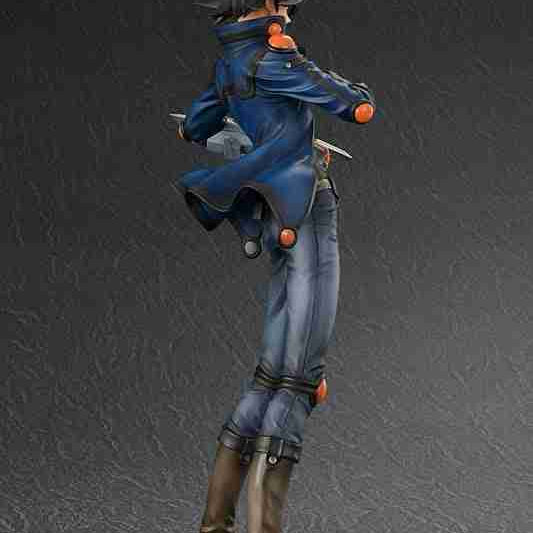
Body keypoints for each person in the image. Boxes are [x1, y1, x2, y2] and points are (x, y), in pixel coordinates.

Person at [175, 1, 376, 531]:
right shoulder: (272, 58)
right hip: (306, 207)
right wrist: (298, 62)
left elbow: (194, 126)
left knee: (268, 381)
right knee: (296, 385)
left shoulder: (230, 62)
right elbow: (358, 107)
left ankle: (214, 526)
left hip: (274, 213)